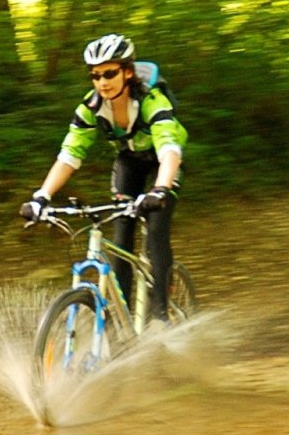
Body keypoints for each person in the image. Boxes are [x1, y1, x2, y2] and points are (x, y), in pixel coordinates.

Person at [19, 33, 188, 325]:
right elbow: (69, 155)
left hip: (163, 164)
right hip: (129, 162)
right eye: (95, 76)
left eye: (109, 73)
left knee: (156, 230)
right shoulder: (91, 107)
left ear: (127, 71)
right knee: (121, 238)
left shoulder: (151, 100)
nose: (102, 82)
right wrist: (41, 196)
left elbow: (169, 149)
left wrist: (160, 189)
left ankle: (160, 318)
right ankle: (120, 326)